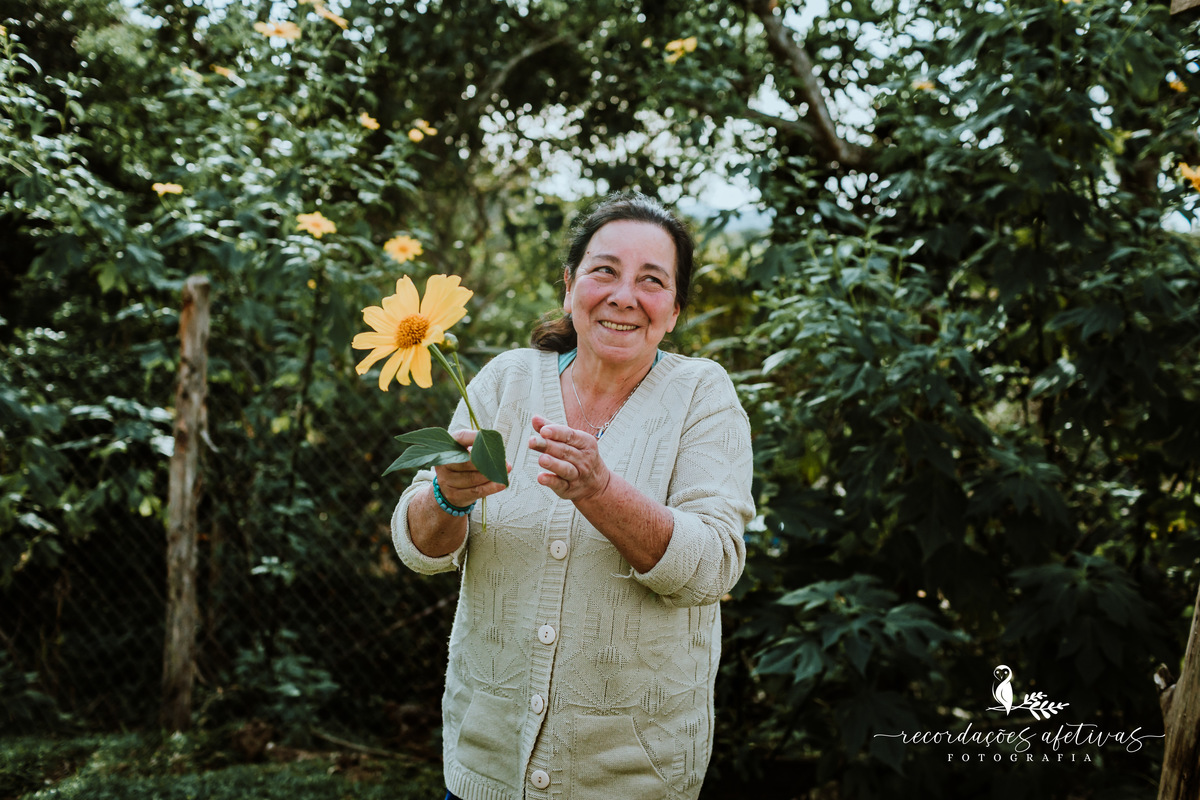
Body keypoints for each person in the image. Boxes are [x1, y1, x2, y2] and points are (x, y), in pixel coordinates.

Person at [392, 192, 755, 800]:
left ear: (674, 311)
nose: (623, 296)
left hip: (631, 779)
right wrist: (447, 497)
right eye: (604, 271)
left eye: (651, 280)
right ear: (569, 287)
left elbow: (714, 566)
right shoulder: (506, 381)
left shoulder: (702, 395)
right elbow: (418, 549)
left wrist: (601, 491)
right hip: (487, 767)